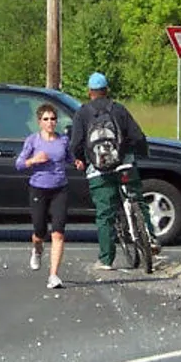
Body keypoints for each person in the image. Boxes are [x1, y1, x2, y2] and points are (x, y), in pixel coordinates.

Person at [68, 72, 154, 271]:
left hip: (98, 170)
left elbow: (76, 144)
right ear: (107, 90)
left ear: (90, 92)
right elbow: (137, 136)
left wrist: (80, 159)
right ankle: (151, 238)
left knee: (105, 213)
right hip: (124, 164)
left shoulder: (82, 113)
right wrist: (137, 152)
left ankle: (106, 259)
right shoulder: (119, 110)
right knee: (138, 201)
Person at [15, 103, 71, 289]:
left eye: (53, 119)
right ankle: (37, 250)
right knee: (40, 231)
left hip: (59, 189)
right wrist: (34, 160)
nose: (50, 122)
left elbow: (70, 157)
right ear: (39, 122)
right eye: (46, 119)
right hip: (38, 188)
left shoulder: (63, 140)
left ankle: (53, 275)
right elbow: (19, 164)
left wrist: (78, 162)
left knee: (58, 233)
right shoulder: (33, 140)